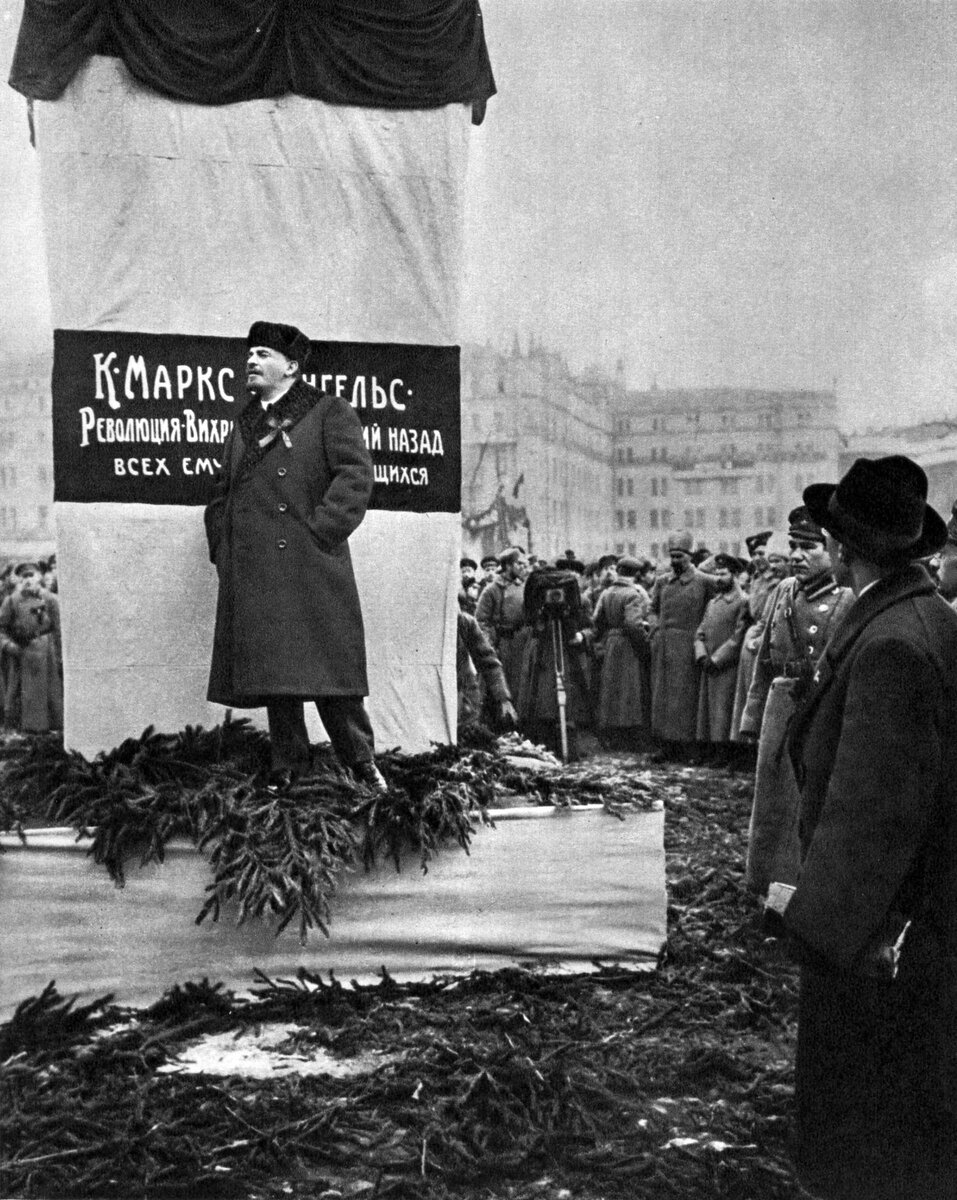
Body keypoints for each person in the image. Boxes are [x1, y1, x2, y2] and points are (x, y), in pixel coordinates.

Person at [774, 455, 957, 1200]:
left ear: (841, 548)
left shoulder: (887, 643)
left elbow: (869, 819)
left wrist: (815, 927)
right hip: (925, 917)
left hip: (880, 932)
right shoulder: (925, 618)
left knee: (867, 1131)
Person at [204, 320, 386, 792]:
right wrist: (224, 551)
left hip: (310, 564)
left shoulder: (328, 412)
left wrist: (320, 533)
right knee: (277, 676)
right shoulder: (243, 423)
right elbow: (221, 493)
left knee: (331, 673)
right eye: (250, 354)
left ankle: (362, 763)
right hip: (257, 570)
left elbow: (354, 476)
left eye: (263, 354)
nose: (251, 361)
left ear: (291, 366)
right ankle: (288, 766)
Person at [739, 508, 853, 894]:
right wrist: (752, 718)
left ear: (833, 550)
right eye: (793, 546)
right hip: (780, 706)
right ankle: (767, 884)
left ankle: (805, 890)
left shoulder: (848, 596)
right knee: (772, 804)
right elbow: (764, 662)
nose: (797, 555)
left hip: (819, 709)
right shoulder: (784, 591)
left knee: (810, 803)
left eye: (808, 547)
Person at [648, 531, 717, 761]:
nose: (675, 561)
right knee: (664, 698)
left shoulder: (705, 582)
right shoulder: (662, 582)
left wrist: (703, 640)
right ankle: (666, 746)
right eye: (672, 556)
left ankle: (689, 747)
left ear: (690, 556)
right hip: (665, 647)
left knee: (687, 698)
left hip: (690, 647)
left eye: (680, 556)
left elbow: (713, 611)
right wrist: (656, 630)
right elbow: (653, 609)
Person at [592, 556, 652, 750]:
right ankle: (630, 737)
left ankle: (613, 736)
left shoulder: (607, 592)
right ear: (635, 574)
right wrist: (644, 645)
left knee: (612, 689)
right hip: (628, 645)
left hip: (611, 643)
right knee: (630, 690)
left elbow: (597, 620)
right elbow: (633, 624)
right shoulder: (633, 594)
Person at [693, 553, 747, 763]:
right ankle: (710, 752)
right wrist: (701, 655)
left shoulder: (741, 601)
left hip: (726, 666)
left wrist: (717, 659)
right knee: (708, 712)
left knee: (723, 712)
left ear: (733, 575)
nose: (718, 578)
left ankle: (724, 754)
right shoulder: (712, 603)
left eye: (723, 574)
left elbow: (738, 636)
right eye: (716, 574)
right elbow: (700, 631)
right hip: (708, 663)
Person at [0, 562, 62, 733]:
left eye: (31, 575)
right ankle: (21, 733)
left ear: (39, 577)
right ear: (19, 579)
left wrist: (60, 657)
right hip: (22, 654)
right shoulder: (11, 601)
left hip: (47, 656)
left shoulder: (50, 600)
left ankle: (51, 733)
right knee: (21, 699)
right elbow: (1, 630)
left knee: (51, 698)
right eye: (24, 576)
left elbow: (59, 630)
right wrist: (9, 646)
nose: (28, 580)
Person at [475, 547, 529, 702]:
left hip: (522, 643)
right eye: (519, 564)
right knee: (503, 689)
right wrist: (489, 647)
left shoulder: (525, 588)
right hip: (502, 644)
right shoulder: (492, 590)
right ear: (508, 566)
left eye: (525, 564)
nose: (523, 568)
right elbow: (480, 621)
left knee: (522, 688)